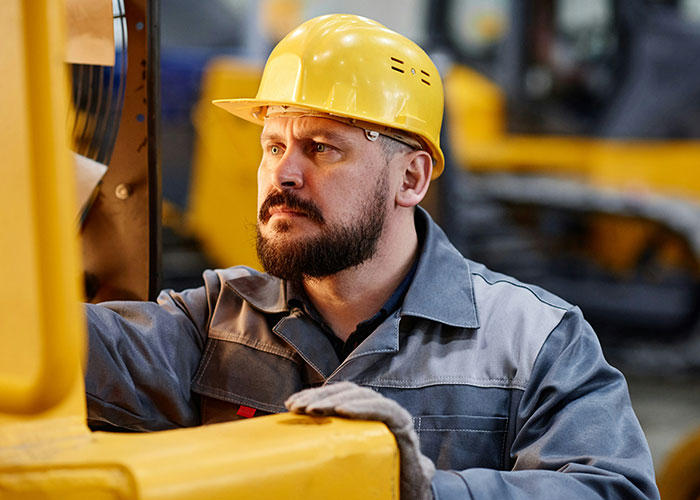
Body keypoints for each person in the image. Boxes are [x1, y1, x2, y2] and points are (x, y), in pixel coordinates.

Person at [85, 14, 660, 500]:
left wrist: (427, 488)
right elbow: (53, 346)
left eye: (322, 149)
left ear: (410, 178)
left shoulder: (532, 341)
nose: (282, 173)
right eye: (274, 145)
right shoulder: (214, 324)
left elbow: (612, 488)